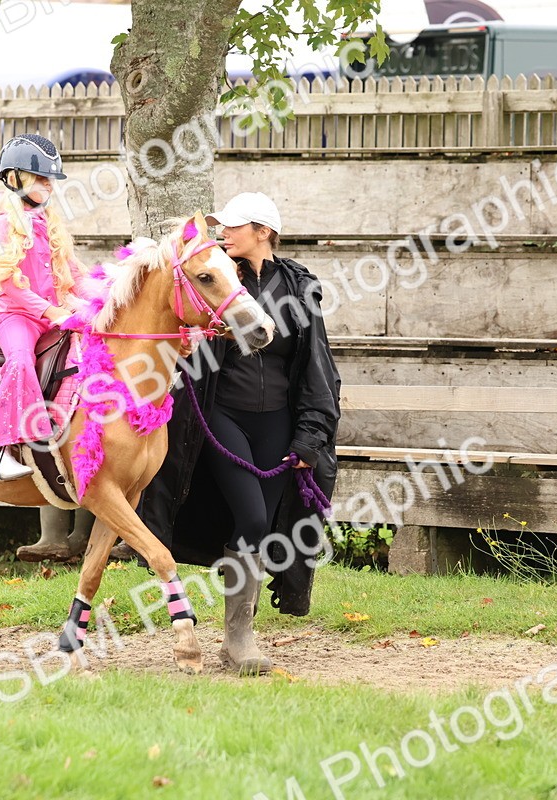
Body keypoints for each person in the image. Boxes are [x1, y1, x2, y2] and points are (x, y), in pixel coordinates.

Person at [137, 192, 341, 675]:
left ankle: (236, 636)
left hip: (278, 422)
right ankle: (240, 637)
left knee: (261, 526)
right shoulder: (219, 277)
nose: (223, 233)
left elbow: (317, 366)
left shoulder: (299, 287)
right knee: (251, 516)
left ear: (263, 232)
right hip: (222, 414)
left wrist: (310, 436)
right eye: (221, 226)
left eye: (233, 226)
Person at [0, 134, 85, 482]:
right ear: (16, 178)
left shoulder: (50, 222)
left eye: (51, 180)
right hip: (16, 316)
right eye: (42, 178)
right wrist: (50, 312)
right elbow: (8, 284)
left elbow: (74, 273)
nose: (49, 186)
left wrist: (103, 297)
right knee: (20, 360)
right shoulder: (3, 224)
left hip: (54, 315)